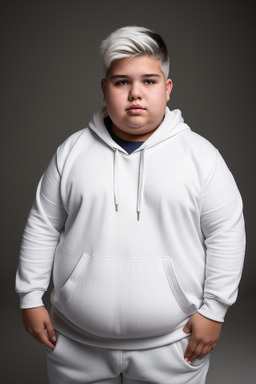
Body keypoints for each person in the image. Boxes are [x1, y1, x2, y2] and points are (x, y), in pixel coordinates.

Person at [15, 26, 245, 384]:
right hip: (76, 343)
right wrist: (30, 296)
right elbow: (42, 225)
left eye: (149, 81)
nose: (135, 93)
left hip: (173, 344)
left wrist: (215, 310)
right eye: (122, 82)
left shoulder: (201, 156)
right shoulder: (71, 152)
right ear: (104, 88)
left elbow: (226, 232)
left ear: (167, 89)